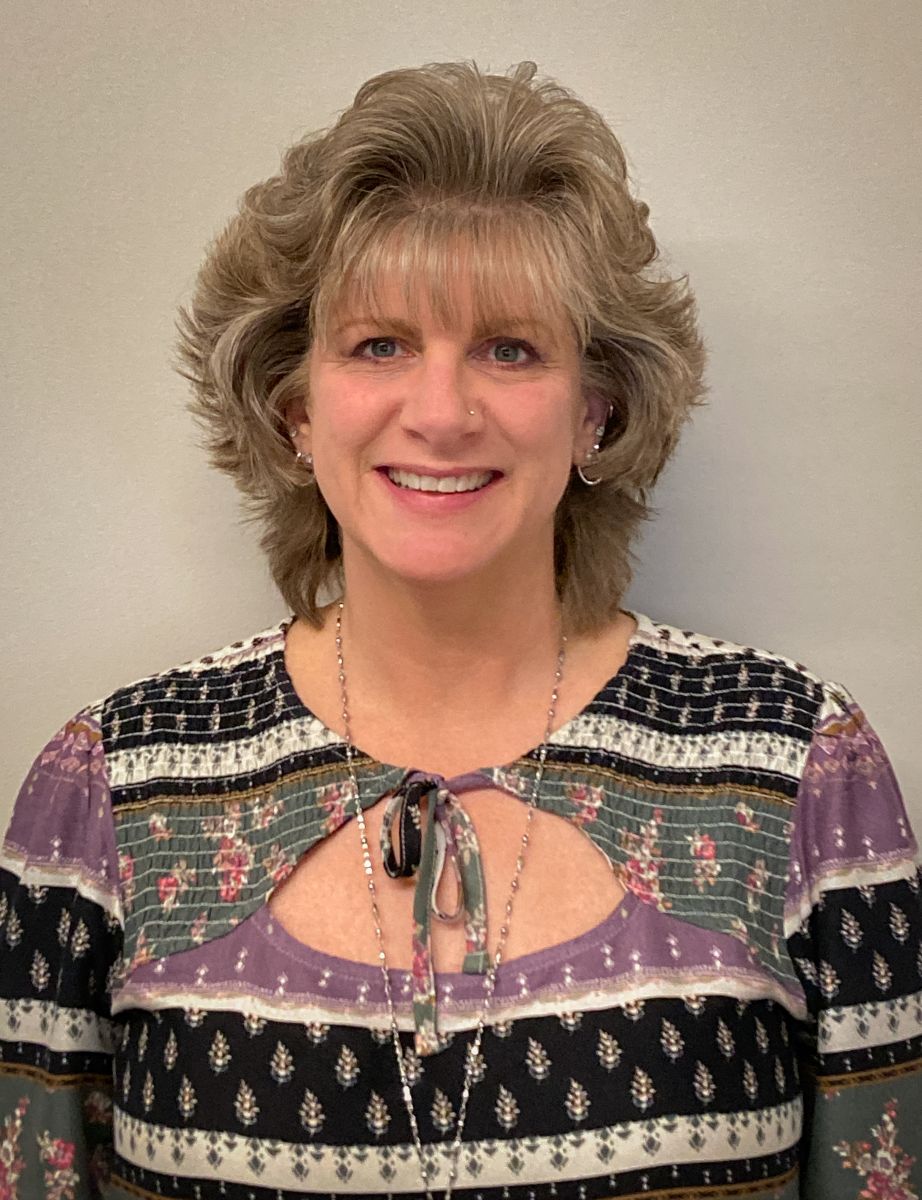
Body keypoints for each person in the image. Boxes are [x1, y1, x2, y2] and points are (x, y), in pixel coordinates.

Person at [1, 59, 919, 1200]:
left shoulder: (795, 767)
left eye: (509, 348)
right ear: (294, 408)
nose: (440, 413)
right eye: (379, 344)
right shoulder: (110, 787)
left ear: (596, 410)